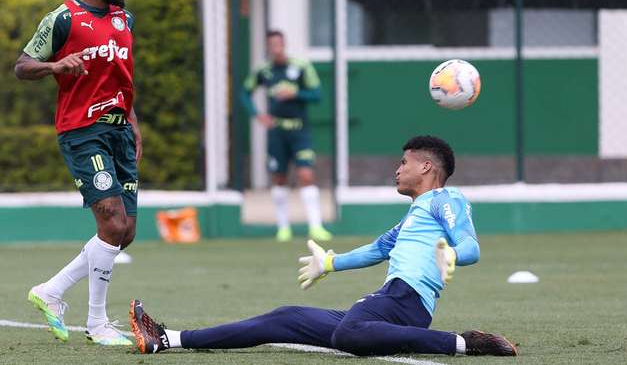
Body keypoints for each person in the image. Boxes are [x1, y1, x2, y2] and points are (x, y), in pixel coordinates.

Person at [128, 136, 518, 357]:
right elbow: (376, 250)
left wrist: (451, 254)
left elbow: (471, 246)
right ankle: (170, 339)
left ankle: (466, 344)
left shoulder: (445, 200)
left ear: (427, 168)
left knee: (350, 334)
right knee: (284, 316)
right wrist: (329, 263)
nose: (397, 169)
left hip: (405, 303)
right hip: (388, 300)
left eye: (404, 162)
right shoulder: (412, 216)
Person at [14, 0, 139, 346]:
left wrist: (133, 121)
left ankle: (50, 291)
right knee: (112, 223)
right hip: (83, 132)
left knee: (126, 232)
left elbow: (121, 77)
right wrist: (54, 65)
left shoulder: (125, 20)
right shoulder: (64, 18)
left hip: (119, 132)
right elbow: (22, 65)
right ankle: (98, 323)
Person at [242, 30, 333, 242]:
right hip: (276, 131)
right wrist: (257, 115)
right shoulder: (264, 71)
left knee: (305, 174)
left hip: (300, 129)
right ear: (268, 47)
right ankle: (283, 228)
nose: (276, 48)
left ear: (284, 44)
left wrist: (296, 93)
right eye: (271, 45)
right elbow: (245, 93)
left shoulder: (301, 67)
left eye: (278, 44)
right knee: (279, 177)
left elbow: (317, 95)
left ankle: (316, 226)